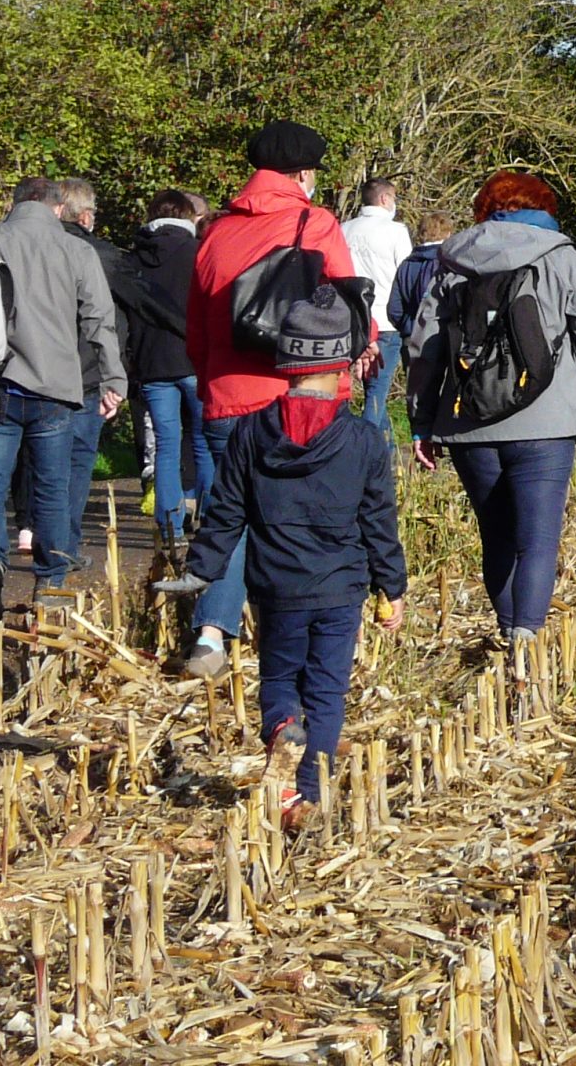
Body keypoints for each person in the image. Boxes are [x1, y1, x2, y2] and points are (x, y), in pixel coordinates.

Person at [174, 282, 404, 826]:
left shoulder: (252, 432)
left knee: (280, 680)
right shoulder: (365, 439)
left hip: (277, 587)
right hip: (341, 588)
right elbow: (379, 523)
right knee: (326, 692)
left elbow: (226, 510)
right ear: (343, 366)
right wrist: (391, 587)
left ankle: (281, 727)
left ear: (286, 363)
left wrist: (201, 571)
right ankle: (306, 797)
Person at [179, 121, 370, 680]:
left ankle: (210, 637)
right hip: (300, 396)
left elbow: (195, 328)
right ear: (305, 173)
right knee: (313, 517)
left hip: (226, 395)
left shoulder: (215, 232)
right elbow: (343, 308)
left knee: (228, 516)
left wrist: (213, 379)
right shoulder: (315, 221)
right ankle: (300, 635)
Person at [406, 169, 576, 651]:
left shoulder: (452, 260)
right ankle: (525, 645)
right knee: (537, 539)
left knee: (496, 535)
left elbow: (424, 346)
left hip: (466, 420)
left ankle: (506, 629)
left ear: (486, 210)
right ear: (542, 210)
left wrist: (422, 421)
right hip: (547, 420)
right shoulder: (560, 256)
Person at [0, 177, 126, 629]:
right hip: (55, 386)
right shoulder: (77, 251)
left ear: (14, 204)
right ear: (57, 208)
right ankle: (49, 584)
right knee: (52, 486)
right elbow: (99, 321)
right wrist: (114, 378)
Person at [54, 178, 149, 577]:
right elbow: (130, 312)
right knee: (76, 464)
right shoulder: (108, 258)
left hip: (37, 371)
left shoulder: (29, 248)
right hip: (88, 372)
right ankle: (63, 545)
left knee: (37, 461)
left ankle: (32, 531)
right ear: (87, 215)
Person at [128, 190, 202, 544]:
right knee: (204, 440)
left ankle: (170, 525)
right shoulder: (199, 253)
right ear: (189, 217)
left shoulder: (134, 257)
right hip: (195, 359)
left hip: (152, 362)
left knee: (166, 444)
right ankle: (211, 518)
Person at [340, 180, 413, 426]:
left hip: (350, 321)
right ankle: (367, 450)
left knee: (370, 392)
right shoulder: (396, 231)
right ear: (384, 199)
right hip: (385, 320)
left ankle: (387, 454)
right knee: (375, 395)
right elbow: (406, 277)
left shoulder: (344, 229)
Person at [387, 214, 455, 352]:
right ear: (448, 233)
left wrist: (407, 326)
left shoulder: (406, 264)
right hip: (442, 337)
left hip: (411, 336)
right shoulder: (450, 263)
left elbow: (394, 309)